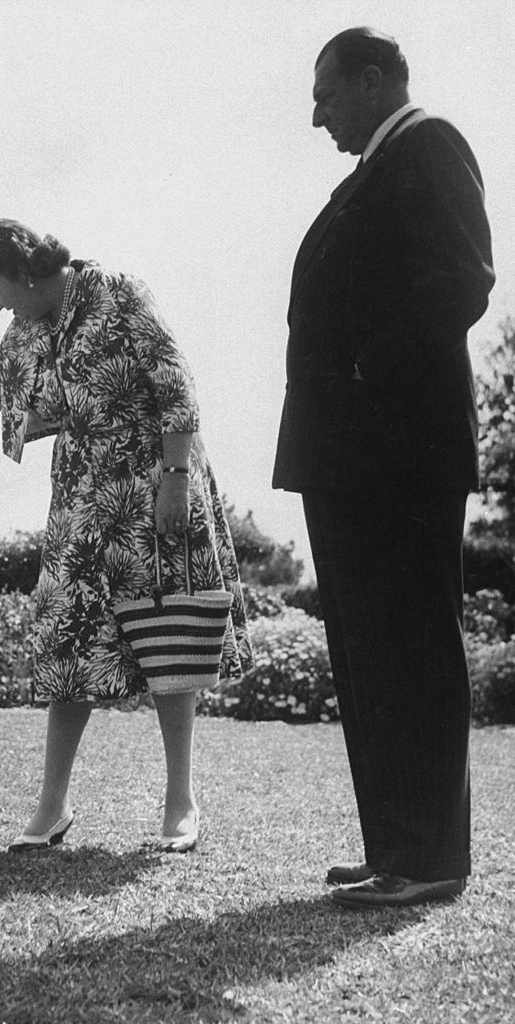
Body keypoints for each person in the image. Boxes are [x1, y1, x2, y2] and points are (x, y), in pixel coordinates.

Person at [0, 218, 252, 853]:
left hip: (152, 489)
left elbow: (178, 386)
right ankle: (52, 805)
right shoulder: (29, 327)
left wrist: (175, 479)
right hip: (83, 502)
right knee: (68, 642)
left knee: (168, 637)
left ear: (29, 274)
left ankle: (181, 802)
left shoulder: (120, 296)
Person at [273, 28, 494, 908]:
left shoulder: (428, 142)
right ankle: (395, 847)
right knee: (370, 654)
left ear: (372, 81)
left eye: (327, 95)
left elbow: (462, 279)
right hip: (352, 456)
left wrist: (366, 372)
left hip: (397, 452)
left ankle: (431, 856)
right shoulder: (372, 169)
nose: (317, 114)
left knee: (410, 648)